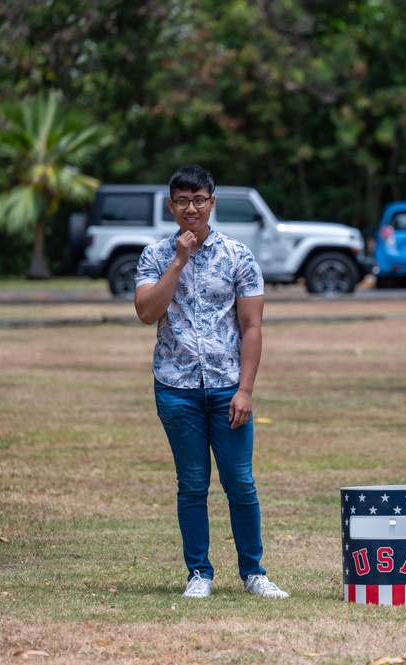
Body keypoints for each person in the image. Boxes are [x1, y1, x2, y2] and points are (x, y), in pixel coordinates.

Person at [134, 164, 288, 599]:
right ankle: (199, 574)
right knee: (193, 483)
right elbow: (147, 313)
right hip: (176, 387)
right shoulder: (154, 256)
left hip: (227, 387)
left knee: (240, 481)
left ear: (212, 203)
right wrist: (179, 261)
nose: (191, 208)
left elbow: (252, 327)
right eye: (182, 201)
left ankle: (254, 572)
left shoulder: (239, 256)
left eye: (199, 200)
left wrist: (246, 390)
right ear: (171, 206)